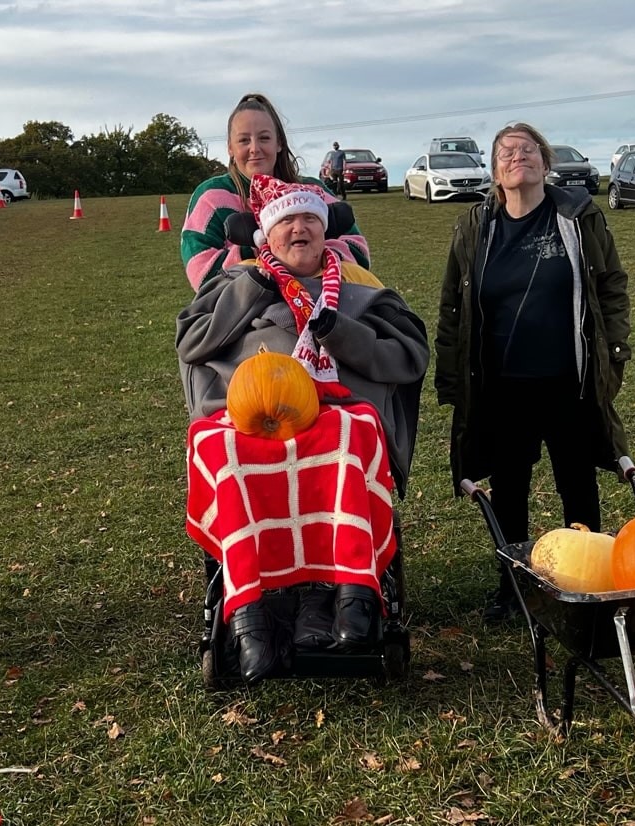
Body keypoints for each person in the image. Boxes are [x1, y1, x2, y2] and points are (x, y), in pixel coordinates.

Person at [178, 174, 427, 681]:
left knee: (343, 439)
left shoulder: (361, 289)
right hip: (253, 419)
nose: (299, 230)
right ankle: (251, 615)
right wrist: (253, 288)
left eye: (309, 219)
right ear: (265, 236)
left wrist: (344, 334)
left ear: (325, 230)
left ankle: (348, 597)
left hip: (340, 414)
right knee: (228, 452)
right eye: (286, 221)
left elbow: (410, 356)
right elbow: (193, 344)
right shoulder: (237, 285)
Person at [435, 123, 632, 622]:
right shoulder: (476, 227)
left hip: (569, 379)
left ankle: (585, 584)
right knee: (510, 489)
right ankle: (515, 587)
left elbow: (610, 285)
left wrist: (614, 348)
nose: (516, 156)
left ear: (545, 164)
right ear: (496, 171)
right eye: (506, 152)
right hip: (501, 386)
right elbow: (452, 307)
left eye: (527, 150)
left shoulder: (577, 217)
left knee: (577, 482)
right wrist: (452, 377)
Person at [180, 93, 370, 291]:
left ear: (279, 143)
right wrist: (265, 252)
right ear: (230, 147)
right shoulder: (212, 196)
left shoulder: (313, 191)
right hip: (246, 316)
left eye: (264, 138)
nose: (255, 148)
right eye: (244, 140)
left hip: (326, 305)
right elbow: (201, 274)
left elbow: (359, 252)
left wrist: (309, 259)